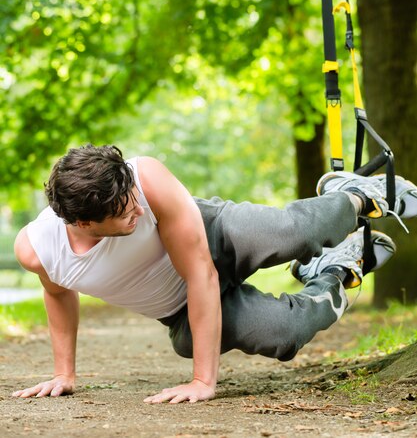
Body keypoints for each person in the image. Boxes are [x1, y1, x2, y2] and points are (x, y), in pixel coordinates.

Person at [11, 145, 417, 404]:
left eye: (134, 200)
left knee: (297, 232)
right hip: (181, 308)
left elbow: (201, 272)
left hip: (214, 235)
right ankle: (338, 271)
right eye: (125, 214)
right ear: (83, 222)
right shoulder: (39, 250)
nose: (138, 209)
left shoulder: (146, 178)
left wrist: (204, 380)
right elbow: (59, 293)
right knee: (283, 333)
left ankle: (357, 194)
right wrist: (64, 373)